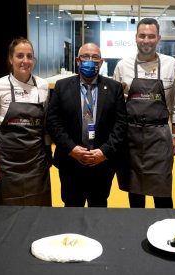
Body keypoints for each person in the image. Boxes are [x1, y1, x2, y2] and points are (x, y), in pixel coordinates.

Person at [113, 18, 175, 208]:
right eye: (142, 35)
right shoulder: (122, 66)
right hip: (131, 137)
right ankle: (136, 229)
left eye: (151, 36)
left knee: (162, 193)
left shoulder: (171, 65)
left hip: (159, 136)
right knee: (135, 193)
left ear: (158, 38)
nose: (146, 40)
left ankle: (166, 232)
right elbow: (116, 107)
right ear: (136, 38)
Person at [47, 43, 127, 207]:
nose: (90, 61)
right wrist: (72, 149)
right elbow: (53, 121)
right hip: (71, 163)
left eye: (95, 57)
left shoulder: (114, 88)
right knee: (71, 207)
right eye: (85, 57)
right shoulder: (62, 87)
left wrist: (104, 152)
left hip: (102, 164)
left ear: (101, 62)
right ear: (78, 61)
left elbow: (120, 124)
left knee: (98, 208)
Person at [0, 37, 52, 206]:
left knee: (37, 206)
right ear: (10, 59)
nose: (25, 61)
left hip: (36, 161)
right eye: (20, 56)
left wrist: (47, 154)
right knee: (7, 208)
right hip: (6, 162)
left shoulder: (42, 86)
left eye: (29, 56)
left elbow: (45, 127)